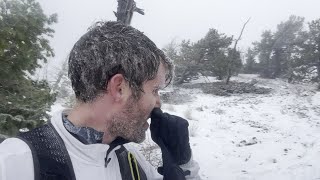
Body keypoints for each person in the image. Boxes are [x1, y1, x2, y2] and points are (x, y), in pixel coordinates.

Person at [0, 21, 200, 180]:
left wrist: (183, 163)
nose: (158, 103)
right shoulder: (14, 163)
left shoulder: (131, 161)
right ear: (119, 88)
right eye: (155, 90)